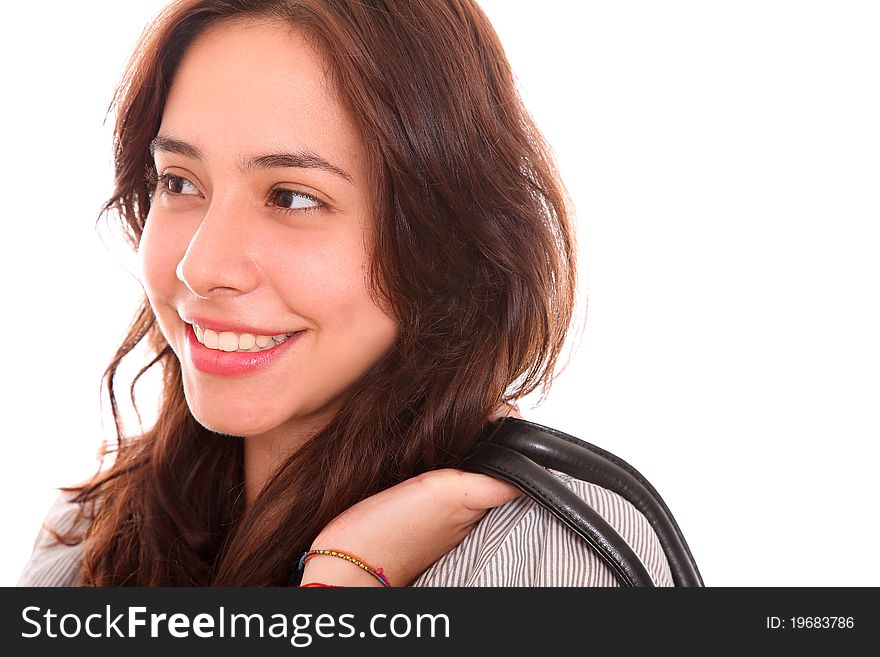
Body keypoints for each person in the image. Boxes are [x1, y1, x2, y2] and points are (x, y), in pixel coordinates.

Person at [17, 0, 673, 587]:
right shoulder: (92, 528)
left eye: (293, 197)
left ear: (442, 239)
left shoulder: (542, 551)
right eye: (180, 182)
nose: (202, 265)